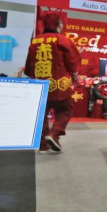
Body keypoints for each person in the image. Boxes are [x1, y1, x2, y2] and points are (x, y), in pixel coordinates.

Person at [25, 11, 81, 153]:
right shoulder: (63, 40)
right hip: (60, 86)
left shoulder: (35, 41)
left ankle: (43, 145)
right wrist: (75, 75)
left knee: (42, 115)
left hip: (40, 85)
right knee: (65, 110)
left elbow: (29, 67)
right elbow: (73, 62)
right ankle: (54, 133)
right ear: (58, 24)